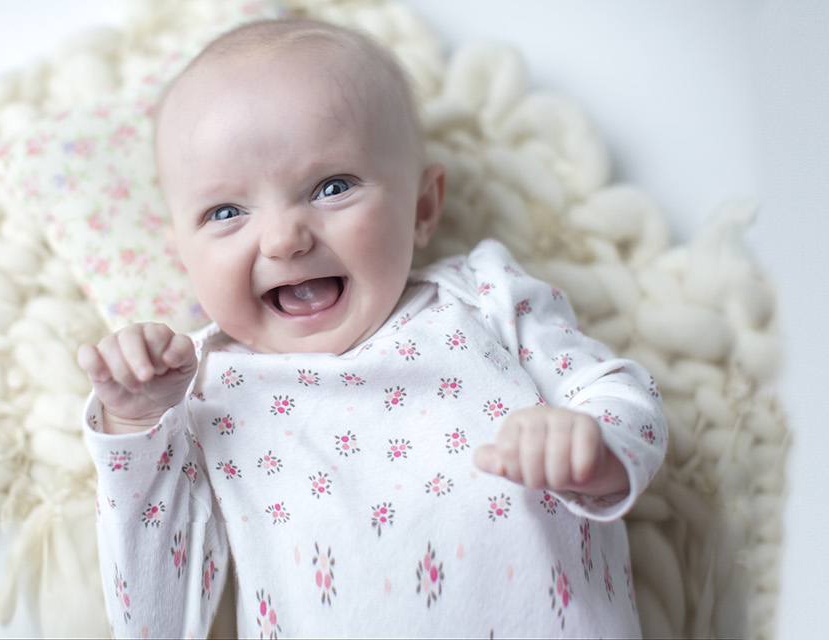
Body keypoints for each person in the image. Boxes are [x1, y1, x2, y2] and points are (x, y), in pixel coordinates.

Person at [77, 18, 666, 638]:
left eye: (332, 187)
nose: (283, 238)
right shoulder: (199, 389)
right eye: (226, 211)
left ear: (422, 208)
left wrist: (593, 447)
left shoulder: (483, 296)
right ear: (183, 256)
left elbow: (624, 393)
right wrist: (136, 433)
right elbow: (154, 623)